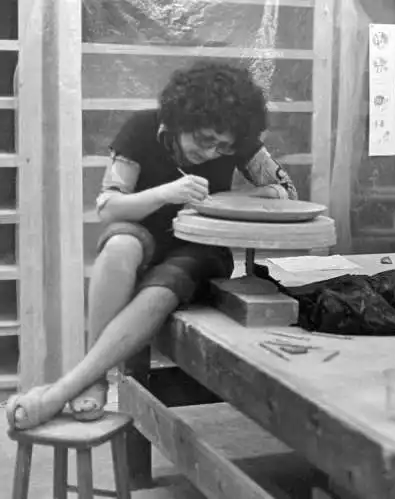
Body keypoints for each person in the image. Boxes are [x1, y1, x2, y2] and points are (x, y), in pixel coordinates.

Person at [7, 62, 298, 430]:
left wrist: (234, 196)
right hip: (143, 235)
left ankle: (65, 388)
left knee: (165, 287)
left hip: (200, 246)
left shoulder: (237, 141)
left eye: (223, 147)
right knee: (118, 248)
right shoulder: (141, 128)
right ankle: (94, 379)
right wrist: (166, 193)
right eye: (204, 139)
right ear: (179, 120)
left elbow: (287, 191)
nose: (212, 152)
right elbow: (108, 207)